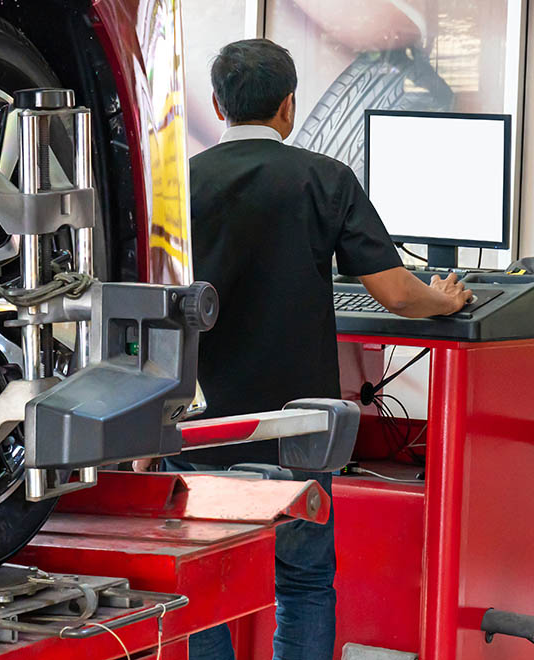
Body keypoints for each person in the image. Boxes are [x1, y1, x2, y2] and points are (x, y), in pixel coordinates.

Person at [137, 38, 471, 660]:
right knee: (305, 583)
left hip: (200, 433)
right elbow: (397, 294)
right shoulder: (326, 180)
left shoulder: (177, 186)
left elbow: (147, 312)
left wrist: (137, 433)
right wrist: (446, 300)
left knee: (200, 588)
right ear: (289, 106)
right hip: (299, 434)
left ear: (218, 103)